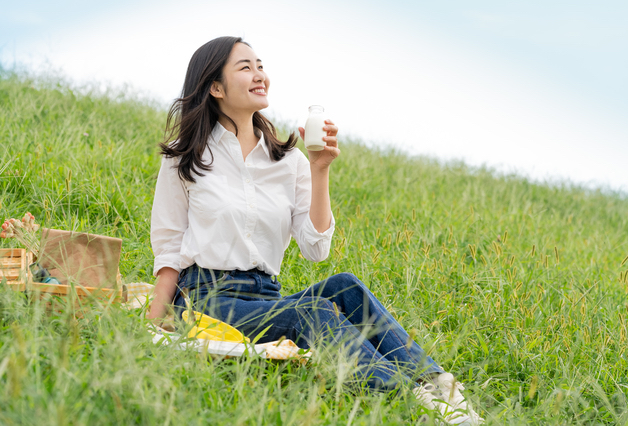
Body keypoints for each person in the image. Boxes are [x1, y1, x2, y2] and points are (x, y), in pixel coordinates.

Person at [147, 36, 483, 425]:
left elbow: (315, 248)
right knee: (313, 312)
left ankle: (441, 390)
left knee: (344, 286)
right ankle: (410, 402)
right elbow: (170, 245)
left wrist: (319, 168)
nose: (260, 75)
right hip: (207, 296)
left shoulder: (287, 160)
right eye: (245, 67)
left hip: (265, 294)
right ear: (216, 87)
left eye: (260, 65)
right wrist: (156, 321)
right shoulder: (184, 156)